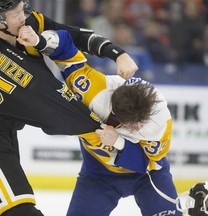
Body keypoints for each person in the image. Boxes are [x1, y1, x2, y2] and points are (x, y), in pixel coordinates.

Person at [0, 0, 138, 216]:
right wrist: (103, 126)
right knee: (20, 210)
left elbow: (74, 36)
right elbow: (54, 107)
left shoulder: (28, 24)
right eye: (15, 13)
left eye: (22, 8)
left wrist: (118, 53)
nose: (23, 16)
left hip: (3, 130)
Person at [31, 29, 181, 216]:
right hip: (99, 173)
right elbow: (67, 48)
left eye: (140, 123)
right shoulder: (94, 92)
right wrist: (39, 39)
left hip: (148, 176)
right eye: (132, 125)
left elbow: (147, 163)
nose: (138, 127)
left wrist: (118, 141)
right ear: (114, 113)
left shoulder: (160, 119)